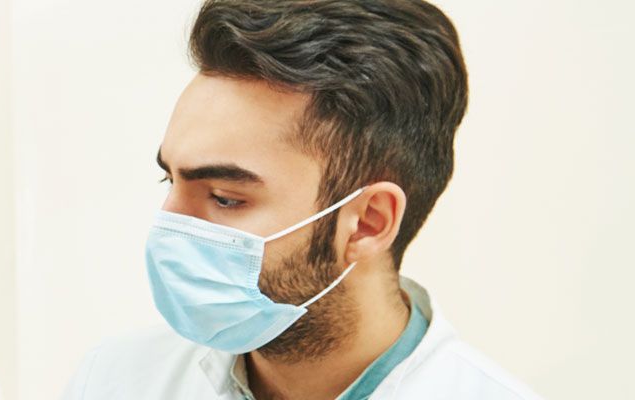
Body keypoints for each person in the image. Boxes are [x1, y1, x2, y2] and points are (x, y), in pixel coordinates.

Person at [64, 1, 538, 399]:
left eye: (225, 199)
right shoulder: (114, 381)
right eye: (169, 180)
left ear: (368, 222)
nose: (170, 228)